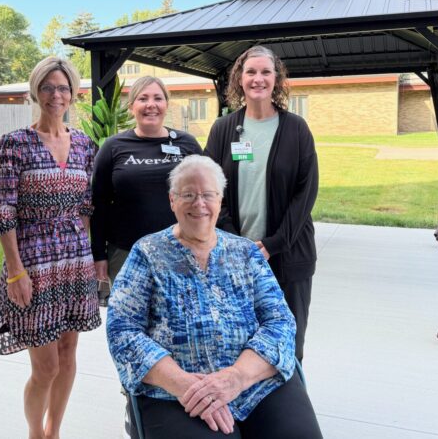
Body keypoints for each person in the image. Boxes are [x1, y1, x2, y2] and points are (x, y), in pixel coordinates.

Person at [107, 155, 323, 439]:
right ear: (172, 200)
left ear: (220, 200)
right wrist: (185, 386)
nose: (199, 203)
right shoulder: (147, 253)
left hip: (256, 382)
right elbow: (122, 331)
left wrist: (235, 378)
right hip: (178, 392)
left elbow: (280, 321)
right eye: (188, 195)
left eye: (208, 194)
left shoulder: (245, 252)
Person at [0, 56, 101, 439]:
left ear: (73, 94)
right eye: (49, 87)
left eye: (63, 87)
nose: (56, 94)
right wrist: (16, 271)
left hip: (75, 263)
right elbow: (3, 211)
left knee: (68, 358)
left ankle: (55, 431)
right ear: (36, 92)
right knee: (46, 366)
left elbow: (86, 207)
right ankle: (36, 434)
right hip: (33, 265)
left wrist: (86, 257)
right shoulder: (14, 144)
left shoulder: (85, 143)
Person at [205, 46, 319, 362]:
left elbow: (306, 194)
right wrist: (235, 241)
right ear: (239, 80)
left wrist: (273, 244)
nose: (258, 79)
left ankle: (289, 407)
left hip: (288, 256)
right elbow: (210, 187)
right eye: (251, 72)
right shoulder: (224, 129)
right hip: (234, 257)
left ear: (276, 79)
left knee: (287, 343)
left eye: (266, 72)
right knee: (238, 343)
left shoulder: (296, 129)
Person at [91, 75, 202, 287]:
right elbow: (98, 204)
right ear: (132, 106)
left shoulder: (187, 144)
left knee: (179, 317)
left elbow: (208, 194)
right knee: (130, 317)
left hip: (181, 249)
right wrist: (99, 254)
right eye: (143, 99)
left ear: (166, 105)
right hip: (126, 252)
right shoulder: (113, 146)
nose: (151, 105)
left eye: (158, 98)